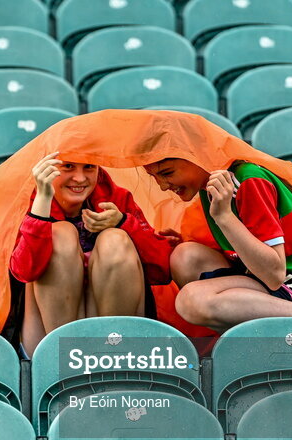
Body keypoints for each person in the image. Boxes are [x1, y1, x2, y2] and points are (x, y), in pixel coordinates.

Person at [142, 157, 292, 333]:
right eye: (154, 178)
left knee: (191, 301)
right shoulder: (211, 185)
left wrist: (224, 216)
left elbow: (274, 275)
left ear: (195, 157)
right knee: (185, 256)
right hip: (270, 278)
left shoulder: (248, 179)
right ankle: (249, 342)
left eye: (167, 173)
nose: (162, 186)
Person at [11, 152, 175, 356]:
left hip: (112, 333)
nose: (79, 178)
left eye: (89, 167)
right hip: (47, 334)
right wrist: (43, 201)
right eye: (68, 166)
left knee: (115, 239)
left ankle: (114, 356)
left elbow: (161, 270)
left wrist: (124, 222)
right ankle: (61, 359)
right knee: (60, 234)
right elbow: (24, 271)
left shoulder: (117, 198)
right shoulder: (29, 199)